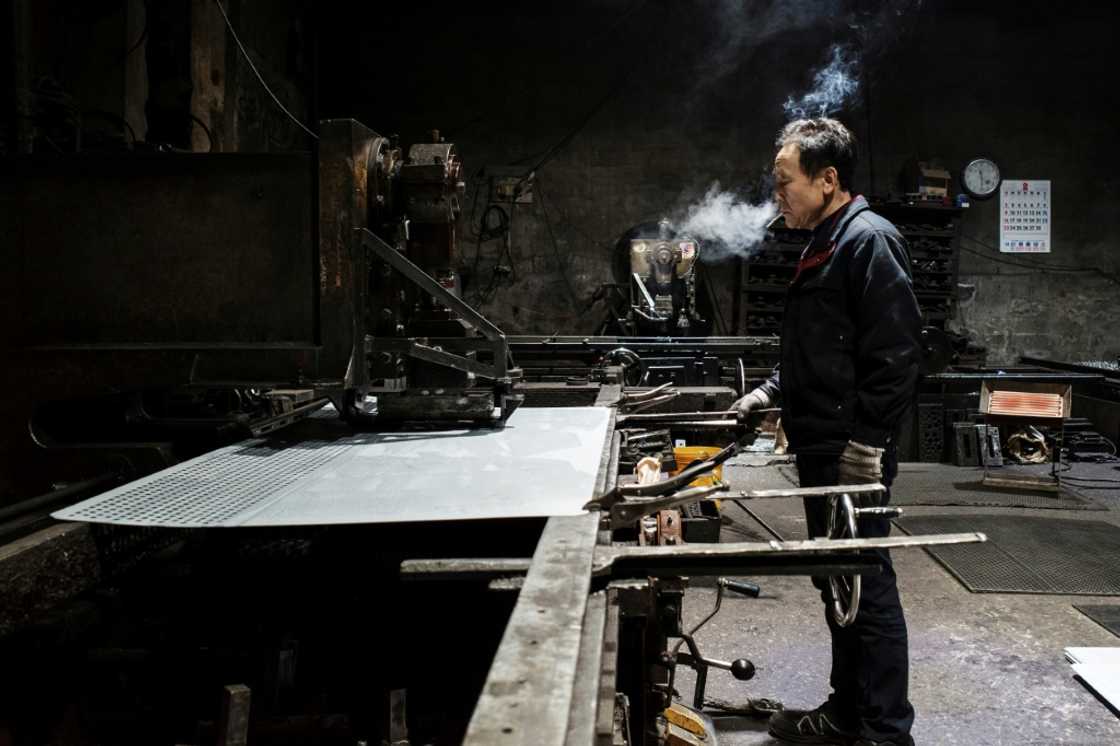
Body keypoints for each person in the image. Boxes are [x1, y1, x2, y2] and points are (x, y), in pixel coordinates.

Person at [734, 118, 922, 746]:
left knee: (866, 585)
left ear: (828, 179)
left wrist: (869, 443)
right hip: (822, 447)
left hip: (849, 452)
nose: (777, 194)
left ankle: (886, 733)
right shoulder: (826, 242)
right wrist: (770, 392)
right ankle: (847, 713)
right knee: (840, 585)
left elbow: (895, 353)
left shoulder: (869, 241)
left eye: (785, 182)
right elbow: (824, 349)